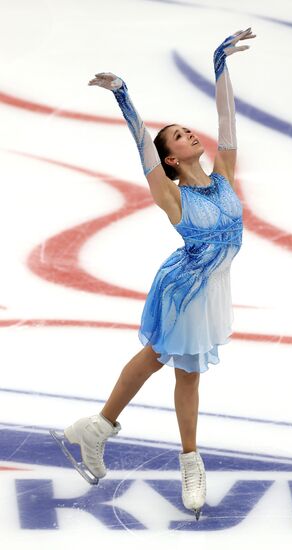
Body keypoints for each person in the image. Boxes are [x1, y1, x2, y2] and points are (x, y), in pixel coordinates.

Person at [51, 27, 256, 521]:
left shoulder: (224, 171)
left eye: (188, 129)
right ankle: (190, 460)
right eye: (179, 136)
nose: (190, 134)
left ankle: (96, 428)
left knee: (157, 361)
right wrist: (125, 98)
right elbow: (142, 146)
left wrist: (220, 66)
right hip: (185, 291)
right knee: (182, 372)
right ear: (172, 158)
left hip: (210, 289)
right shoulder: (171, 195)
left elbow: (227, 119)